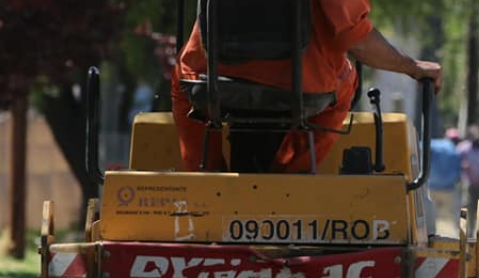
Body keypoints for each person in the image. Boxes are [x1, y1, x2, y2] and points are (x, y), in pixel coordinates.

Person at [171, 0, 442, 172]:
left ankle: (205, 178)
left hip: (208, 79)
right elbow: (356, 41)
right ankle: (290, 178)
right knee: (346, 81)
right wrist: (413, 67)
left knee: (182, 80)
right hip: (300, 86)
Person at [428, 128, 463, 235]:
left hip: (431, 186)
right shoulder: (455, 150)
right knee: (455, 213)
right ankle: (459, 234)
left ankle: (431, 234)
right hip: (448, 188)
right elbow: (458, 171)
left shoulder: (433, 144)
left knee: (431, 212)